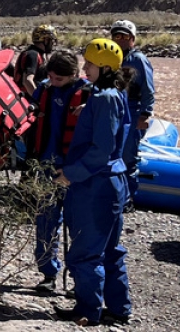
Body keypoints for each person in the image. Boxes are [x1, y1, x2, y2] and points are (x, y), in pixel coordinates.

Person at [56, 38, 134, 325]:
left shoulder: (103, 99)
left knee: (86, 253)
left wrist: (69, 174)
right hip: (112, 183)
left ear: (102, 66)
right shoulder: (112, 94)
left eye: (88, 63)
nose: (84, 68)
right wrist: (87, 111)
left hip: (96, 185)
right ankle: (119, 308)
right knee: (111, 250)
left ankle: (88, 311)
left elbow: (100, 150)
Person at [28, 53, 88, 295]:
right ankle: (48, 273)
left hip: (75, 168)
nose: (53, 81)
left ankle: (79, 278)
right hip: (46, 164)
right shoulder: (43, 90)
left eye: (59, 78)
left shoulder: (89, 94)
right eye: (50, 77)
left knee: (79, 224)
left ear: (74, 75)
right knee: (45, 220)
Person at [109, 20, 156, 204]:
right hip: (115, 109)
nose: (120, 40)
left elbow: (148, 90)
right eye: (116, 36)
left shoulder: (138, 60)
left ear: (133, 39)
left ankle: (127, 199)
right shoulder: (111, 57)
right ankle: (114, 194)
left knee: (128, 156)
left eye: (125, 36)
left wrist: (145, 114)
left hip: (133, 110)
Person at [15, 25, 59, 97]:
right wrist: (38, 100)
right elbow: (27, 81)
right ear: (45, 40)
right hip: (27, 99)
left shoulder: (38, 53)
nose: (53, 44)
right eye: (51, 40)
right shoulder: (33, 54)